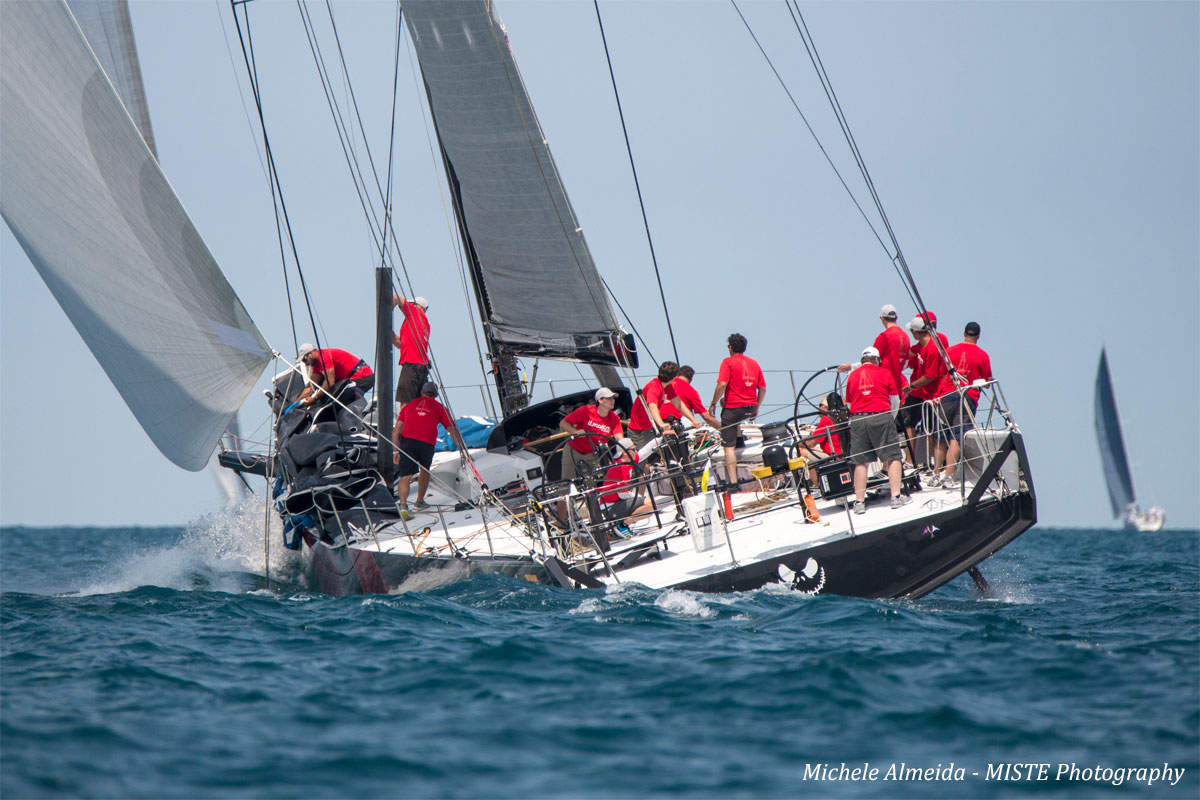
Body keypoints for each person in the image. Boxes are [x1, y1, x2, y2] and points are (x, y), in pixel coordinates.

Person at [845, 346, 909, 513]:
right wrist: (891, 417)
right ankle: (896, 497)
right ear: (877, 360)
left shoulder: (851, 376)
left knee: (860, 462)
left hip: (858, 419)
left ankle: (859, 503)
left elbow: (849, 404)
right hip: (881, 415)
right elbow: (894, 400)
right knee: (893, 456)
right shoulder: (885, 373)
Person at [937, 321, 994, 487]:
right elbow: (987, 383)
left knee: (941, 437)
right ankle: (947, 476)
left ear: (963, 333)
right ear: (978, 335)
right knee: (956, 437)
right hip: (967, 397)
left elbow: (942, 374)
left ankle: (935, 473)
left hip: (947, 396)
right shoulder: (983, 355)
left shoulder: (950, 351)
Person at [391, 381, 464, 510]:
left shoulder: (408, 406)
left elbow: (396, 431)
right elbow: (451, 429)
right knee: (424, 470)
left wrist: (395, 452)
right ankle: (419, 502)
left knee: (405, 475)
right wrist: (461, 449)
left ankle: (403, 506)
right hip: (427, 443)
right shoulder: (440, 407)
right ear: (435, 394)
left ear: (422, 392)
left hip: (408, 442)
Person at [710, 333, 766, 485]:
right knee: (726, 403)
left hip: (735, 409)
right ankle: (739, 437)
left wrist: (713, 403)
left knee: (728, 447)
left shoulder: (727, 362)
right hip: (749, 408)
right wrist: (757, 407)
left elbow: (722, 385)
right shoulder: (754, 363)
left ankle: (733, 483)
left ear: (730, 348)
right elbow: (762, 388)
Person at [903, 316, 952, 476]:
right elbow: (910, 352)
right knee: (928, 430)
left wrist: (911, 386)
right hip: (927, 395)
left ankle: (937, 467)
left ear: (916, 332)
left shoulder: (931, 347)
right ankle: (933, 465)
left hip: (935, 395)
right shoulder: (923, 347)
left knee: (934, 431)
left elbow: (931, 375)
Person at [558, 387, 624, 483]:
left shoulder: (615, 418)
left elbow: (619, 438)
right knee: (566, 482)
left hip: (593, 454)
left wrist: (625, 448)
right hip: (573, 450)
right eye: (609, 398)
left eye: (613, 398)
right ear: (600, 400)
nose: (612, 401)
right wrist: (574, 431)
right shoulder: (585, 411)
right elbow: (563, 423)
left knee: (591, 483)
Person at [598, 438, 655, 531]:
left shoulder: (626, 462)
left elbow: (643, 453)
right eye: (633, 450)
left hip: (615, 503)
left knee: (650, 506)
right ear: (625, 452)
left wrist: (660, 437)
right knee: (650, 504)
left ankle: (623, 524)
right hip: (610, 507)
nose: (636, 451)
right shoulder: (621, 467)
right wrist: (641, 498)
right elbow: (623, 494)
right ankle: (623, 525)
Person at [296, 343, 374, 407]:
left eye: (305, 360)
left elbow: (330, 383)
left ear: (311, 354)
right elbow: (310, 387)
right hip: (354, 378)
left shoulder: (324, 357)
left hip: (363, 376)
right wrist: (296, 403)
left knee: (344, 400)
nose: (306, 364)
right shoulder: (316, 365)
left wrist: (315, 398)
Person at [628, 361, 683, 449]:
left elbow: (678, 402)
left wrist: (692, 419)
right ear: (674, 377)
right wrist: (661, 424)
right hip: (638, 431)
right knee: (641, 459)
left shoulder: (667, 386)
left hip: (649, 428)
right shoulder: (654, 387)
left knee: (661, 453)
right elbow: (652, 406)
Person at [392, 295, 431, 412]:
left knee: (405, 404)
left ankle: (402, 430)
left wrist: (385, 315)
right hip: (421, 366)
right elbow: (400, 344)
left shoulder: (416, 313)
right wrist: (387, 329)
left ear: (418, 306)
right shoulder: (419, 323)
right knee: (418, 405)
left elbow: (395, 297)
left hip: (412, 364)